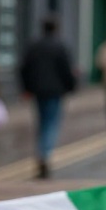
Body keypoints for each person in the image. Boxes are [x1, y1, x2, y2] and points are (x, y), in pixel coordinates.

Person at [20, 15, 78, 179]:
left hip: (38, 91)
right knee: (51, 124)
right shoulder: (60, 46)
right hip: (55, 92)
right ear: (56, 28)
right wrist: (71, 87)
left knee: (42, 122)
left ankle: (41, 153)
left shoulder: (33, 46)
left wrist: (26, 88)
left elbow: (24, 68)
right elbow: (67, 70)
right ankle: (45, 155)